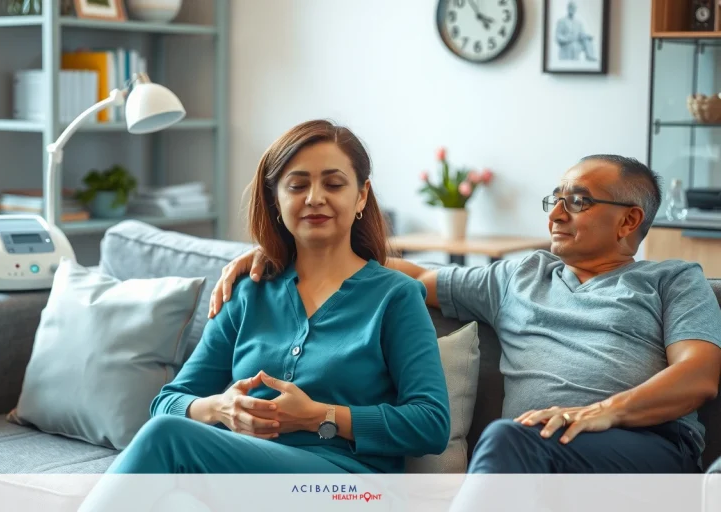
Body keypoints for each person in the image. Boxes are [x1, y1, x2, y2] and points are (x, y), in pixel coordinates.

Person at [211, 154, 721, 475]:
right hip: (532, 453)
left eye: (578, 202)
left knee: (507, 437)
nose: (556, 213)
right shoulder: (518, 276)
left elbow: (699, 374)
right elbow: (401, 275)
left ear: (629, 219)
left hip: (644, 448)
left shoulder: (672, 280)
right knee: (513, 440)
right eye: (556, 198)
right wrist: (285, 251)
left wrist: (598, 413)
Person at [103, 119, 450, 475]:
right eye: (298, 185)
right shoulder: (248, 292)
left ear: (361, 195)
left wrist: (319, 416)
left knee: (167, 438)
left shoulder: (396, 297)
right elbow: (167, 402)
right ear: (275, 199)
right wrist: (219, 408)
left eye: (333, 184)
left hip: (346, 488)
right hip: (241, 479)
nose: (315, 198)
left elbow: (431, 423)